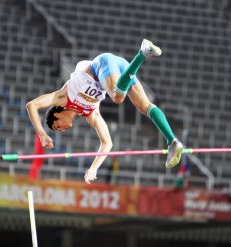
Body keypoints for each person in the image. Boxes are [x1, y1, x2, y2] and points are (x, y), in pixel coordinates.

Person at [26, 39, 184, 184]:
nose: (62, 129)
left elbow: (31, 105)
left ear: (58, 113)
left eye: (57, 126)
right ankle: (172, 142)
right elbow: (107, 143)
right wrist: (93, 168)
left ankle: (142, 53)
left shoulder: (63, 96)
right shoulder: (90, 114)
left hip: (102, 64)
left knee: (117, 96)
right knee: (145, 106)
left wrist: (42, 133)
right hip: (120, 66)